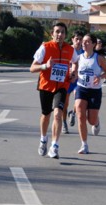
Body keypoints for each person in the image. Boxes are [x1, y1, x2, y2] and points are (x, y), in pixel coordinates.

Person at [30, 22, 79, 159]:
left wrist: (74, 72)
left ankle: (54, 146)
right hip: (46, 86)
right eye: (57, 31)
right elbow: (32, 68)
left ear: (66, 35)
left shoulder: (70, 49)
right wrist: (46, 65)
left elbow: (75, 61)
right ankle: (43, 139)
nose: (60, 34)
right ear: (52, 34)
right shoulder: (45, 47)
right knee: (46, 115)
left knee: (57, 114)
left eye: (62, 32)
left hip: (62, 86)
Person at [75, 33, 106, 154]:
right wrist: (72, 74)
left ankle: (96, 122)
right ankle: (84, 144)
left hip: (95, 91)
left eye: (87, 42)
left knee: (91, 120)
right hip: (81, 88)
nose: (83, 43)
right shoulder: (78, 58)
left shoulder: (98, 58)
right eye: (83, 41)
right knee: (80, 115)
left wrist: (100, 77)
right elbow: (74, 70)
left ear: (93, 44)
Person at [62, 30, 84, 133]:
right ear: (72, 40)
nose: (79, 41)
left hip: (78, 80)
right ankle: (64, 123)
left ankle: (73, 113)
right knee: (65, 104)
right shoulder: (68, 50)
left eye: (80, 39)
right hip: (67, 79)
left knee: (78, 101)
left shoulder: (84, 52)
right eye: (77, 39)